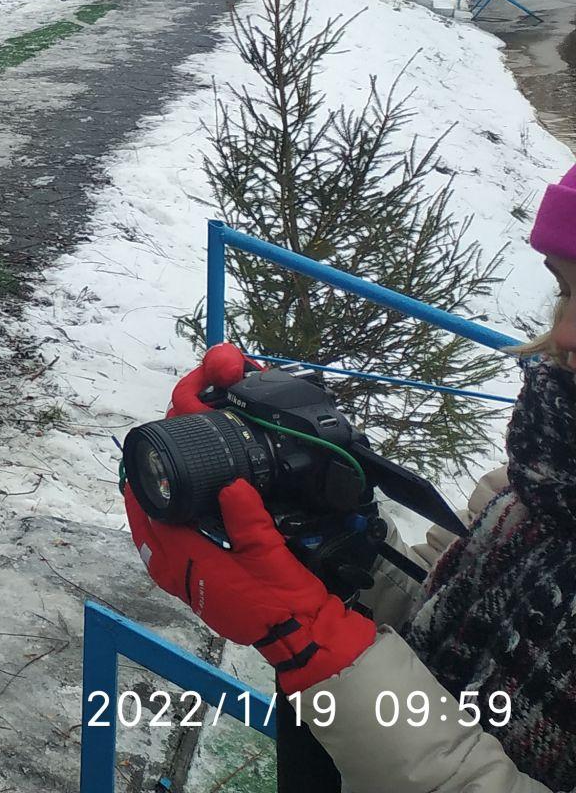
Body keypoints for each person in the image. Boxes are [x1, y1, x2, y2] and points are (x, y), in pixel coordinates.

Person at [123, 163, 576, 792]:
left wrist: (325, 653)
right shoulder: (536, 487)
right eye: (567, 291)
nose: (564, 335)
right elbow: (438, 627)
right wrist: (321, 544)